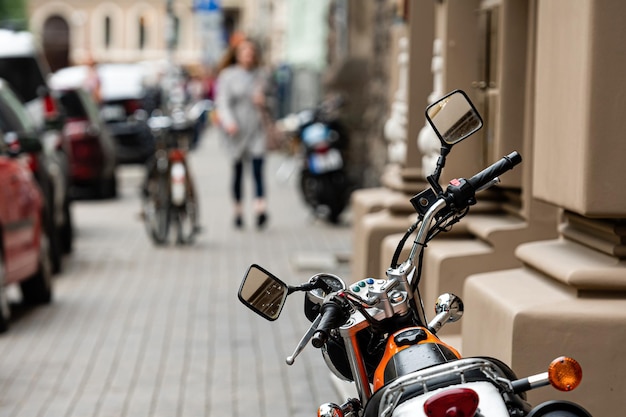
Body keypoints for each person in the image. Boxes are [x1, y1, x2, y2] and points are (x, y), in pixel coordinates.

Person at [215, 37, 271, 230]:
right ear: (237, 55)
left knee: (258, 169)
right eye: (245, 52)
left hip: (256, 129)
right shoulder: (228, 76)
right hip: (236, 132)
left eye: (252, 53)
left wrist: (264, 101)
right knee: (238, 172)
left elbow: (273, 101)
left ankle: (260, 209)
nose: (249, 56)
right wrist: (229, 123)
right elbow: (222, 103)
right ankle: (238, 211)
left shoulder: (261, 75)